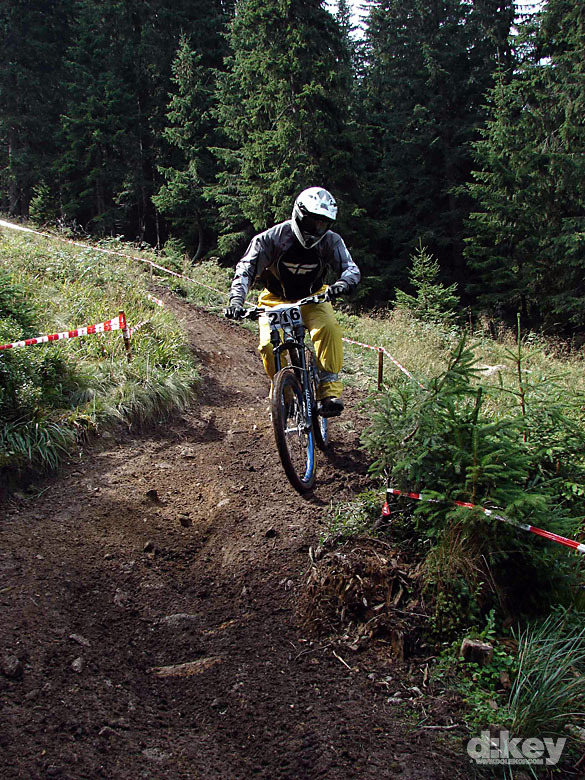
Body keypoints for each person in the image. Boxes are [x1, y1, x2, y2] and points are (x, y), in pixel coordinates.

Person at [224, 187, 360, 417]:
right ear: (298, 215)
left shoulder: (331, 241)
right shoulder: (271, 239)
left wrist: (343, 284)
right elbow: (246, 269)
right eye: (312, 222)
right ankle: (284, 395)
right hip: (274, 300)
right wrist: (237, 300)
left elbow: (351, 268)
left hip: (314, 298)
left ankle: (329, 393)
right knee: (268, 346)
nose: (316, 229)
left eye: (323, 224)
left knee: (328, 329)